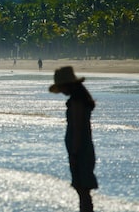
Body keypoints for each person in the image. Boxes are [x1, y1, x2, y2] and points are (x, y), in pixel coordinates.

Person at [49, 66, 98, 212]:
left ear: (67, 85)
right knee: (83, 188)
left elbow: (77, 128)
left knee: (82, 188)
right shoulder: (81, 98)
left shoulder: (76, 101)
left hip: (80, 149)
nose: (62, 91)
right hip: (83, 147)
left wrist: (75, 152)